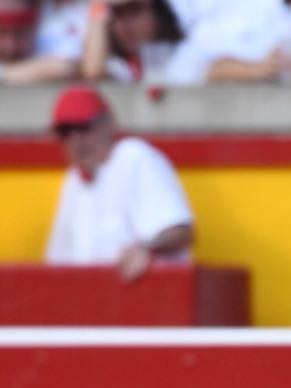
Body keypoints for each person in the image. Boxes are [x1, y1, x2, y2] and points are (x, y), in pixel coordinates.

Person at [43, 84, 196, 283]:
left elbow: (180, 231)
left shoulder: (133, 157)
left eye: (83, 129)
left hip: (145, 300)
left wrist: (147, 248)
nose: (76, 142)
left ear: (109, 124)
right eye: (66, 133)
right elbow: (58, 263)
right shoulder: (73, 181)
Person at [79, 0, 211, 84]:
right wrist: (98, 5)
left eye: (135, 10)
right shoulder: (118, 65)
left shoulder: (187, 55)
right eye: (118, 13)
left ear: (158, 13)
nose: (126, 23)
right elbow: (94, 73)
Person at [0, 0, 76, 82]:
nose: (10, 46)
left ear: (33, 29)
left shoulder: (51, 41)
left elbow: (65, 68)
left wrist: (4, 73)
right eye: (2, 33)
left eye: (19, 33)